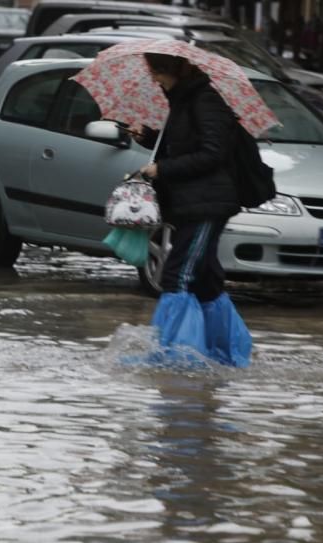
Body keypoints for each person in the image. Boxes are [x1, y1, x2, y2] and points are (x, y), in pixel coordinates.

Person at [131, 52, 252, 367]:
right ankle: (222, 352)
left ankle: (176, 356)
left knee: (177, 275)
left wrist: (162, 170)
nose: (153, 79)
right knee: (205, 279)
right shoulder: (182, 101)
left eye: (155, 71)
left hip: (207, 203)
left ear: (172, 70)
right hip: (191, 202)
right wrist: (148, 137)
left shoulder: (205, 101)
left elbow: (212, 153)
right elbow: (182, 144)